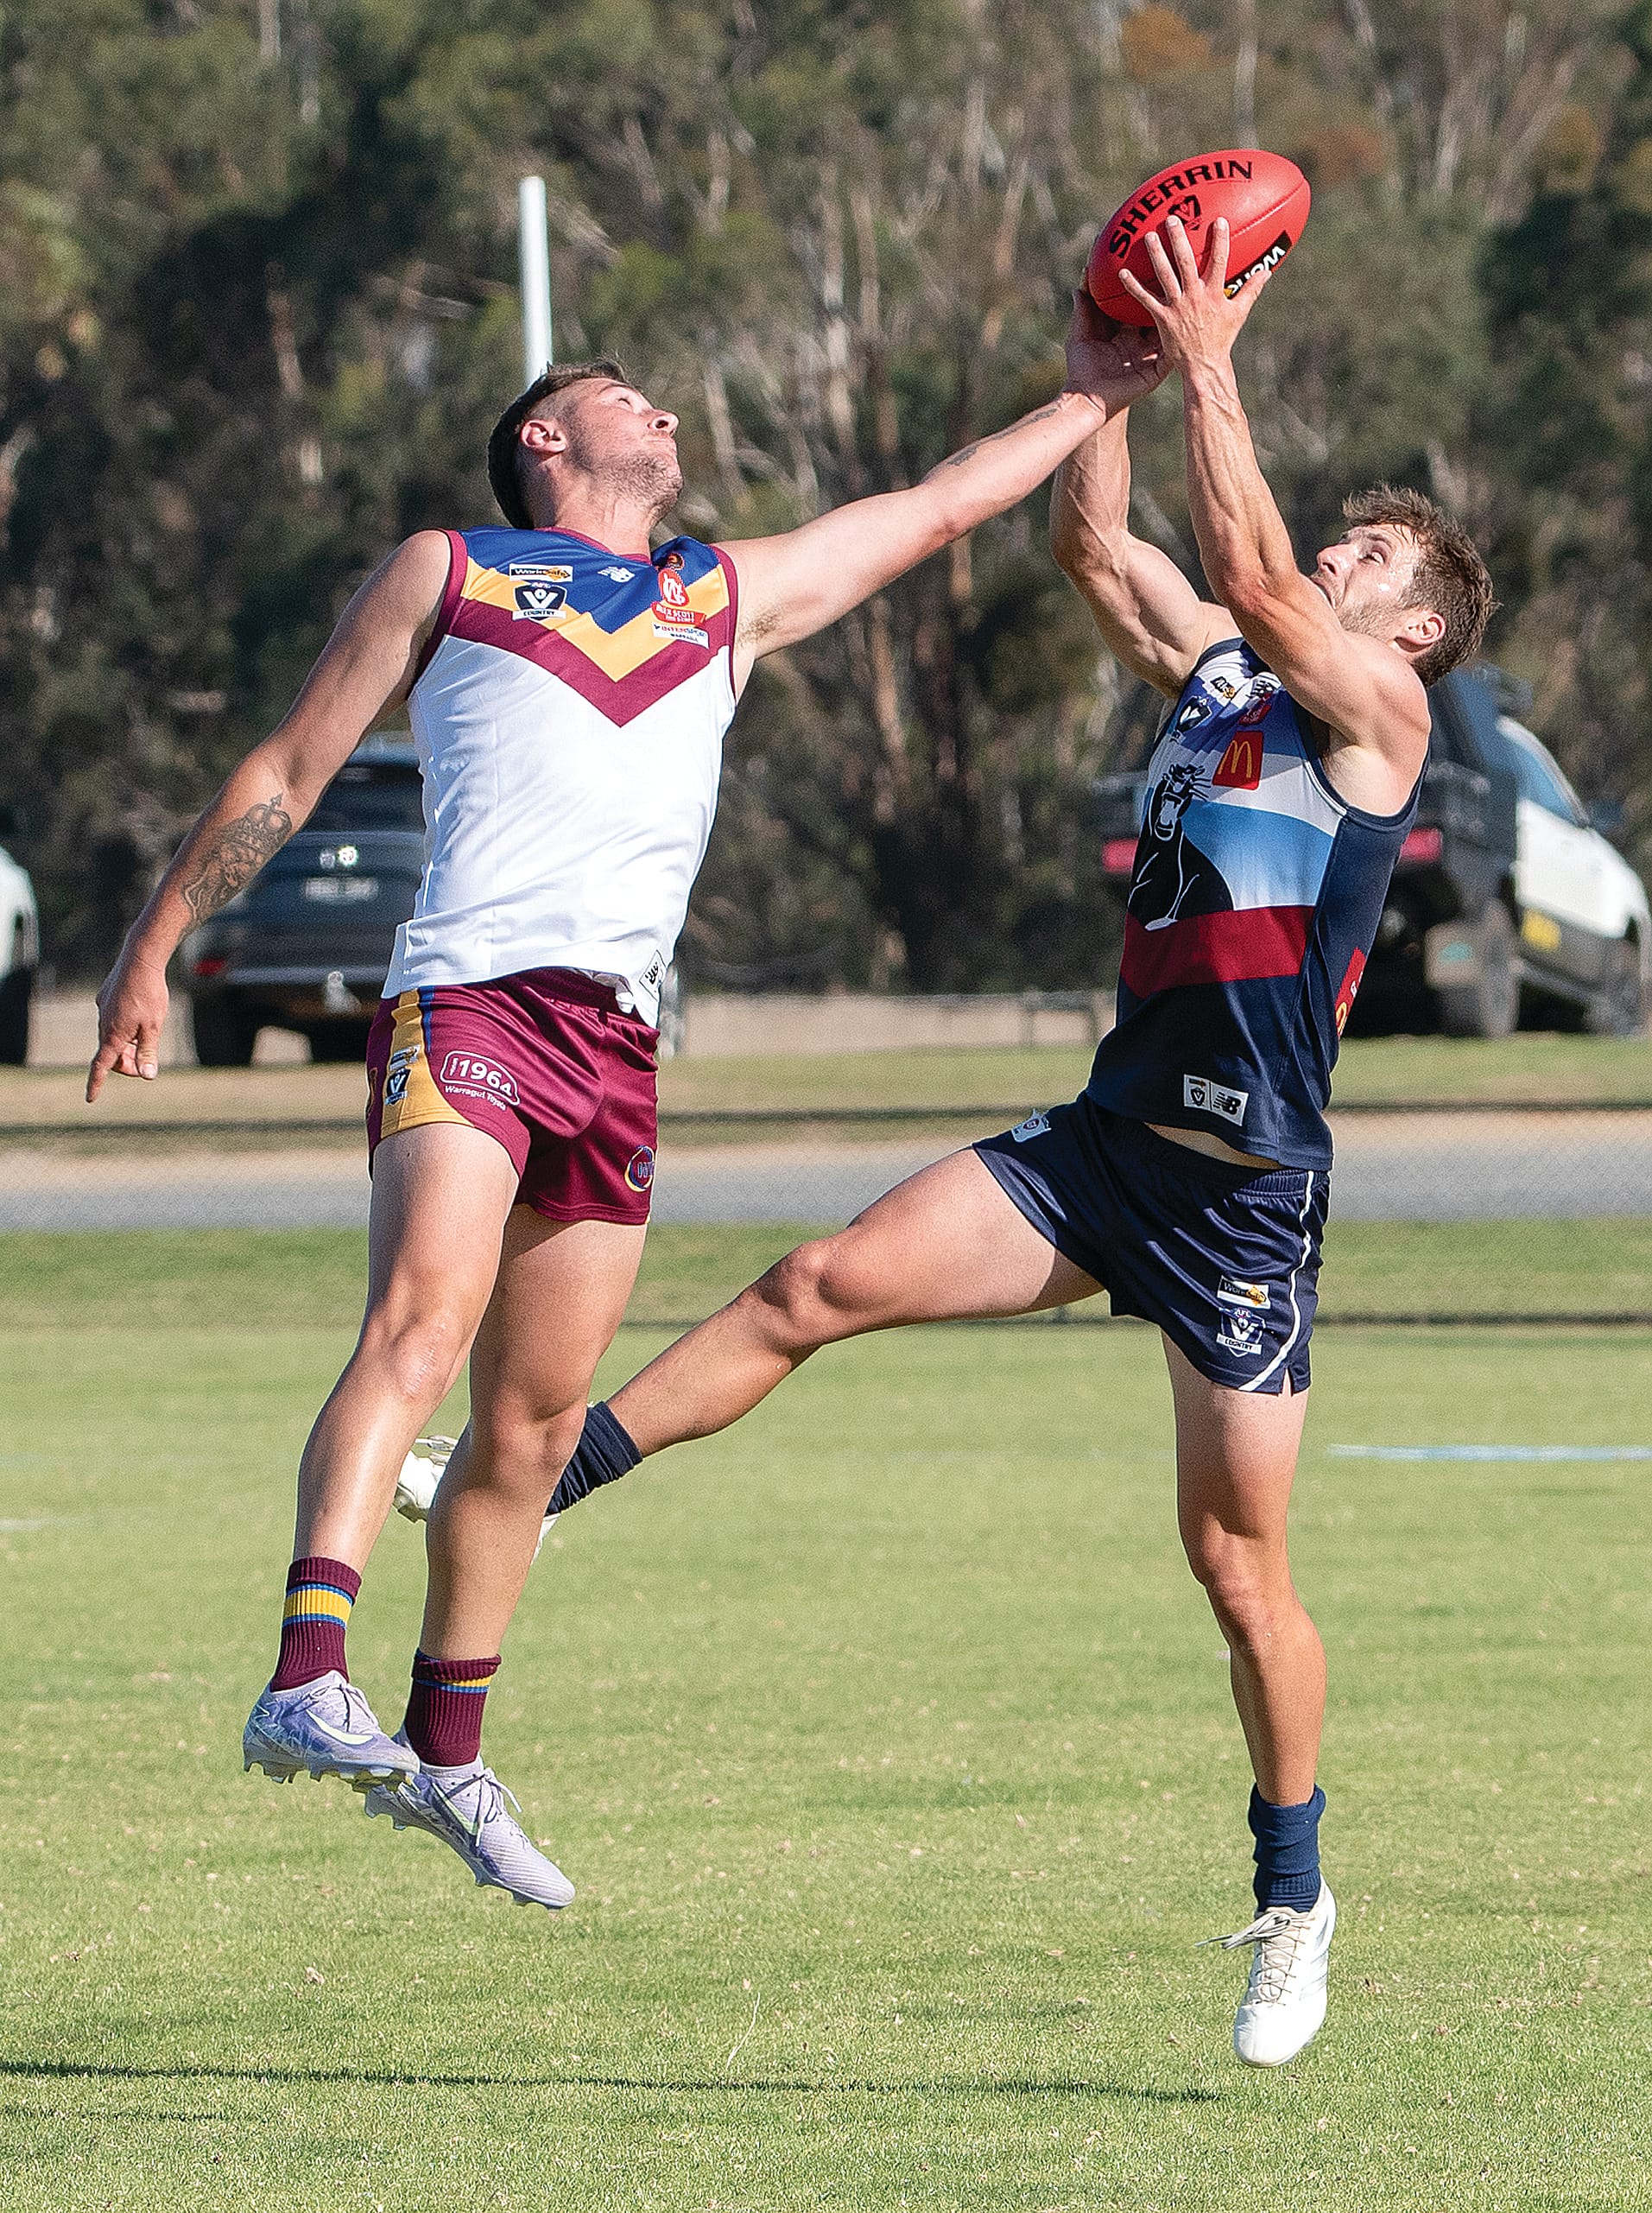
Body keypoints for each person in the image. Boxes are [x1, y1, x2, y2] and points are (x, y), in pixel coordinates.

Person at [407, 217, 1496, 2064]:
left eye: (1371, 556)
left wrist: (1206, 339)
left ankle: (1296, 1896)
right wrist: (1117, 374)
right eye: (1350, 537)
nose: (1336, 551)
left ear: (1417, 626)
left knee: (1237, 1575)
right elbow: (1103, 545)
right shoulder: (1231, 667)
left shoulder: (1374, 708)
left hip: (1244, 1204)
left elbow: (1239, 553)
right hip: (1104, 1147)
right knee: (812, 1283)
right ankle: (540, 1477)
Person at [86, 317, 1138, 1912]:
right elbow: (290, 771)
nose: (654, 404)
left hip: (617, 1043)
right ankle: (307, 1666)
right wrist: (155, 941)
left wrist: (1101, 389)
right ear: (546, 446)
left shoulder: (719, 595)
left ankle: (450, 1749)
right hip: (473, 1002)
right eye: (611, 395)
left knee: (527, 1423)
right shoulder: (452, 571)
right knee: (423, 1322)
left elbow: (935, 504)